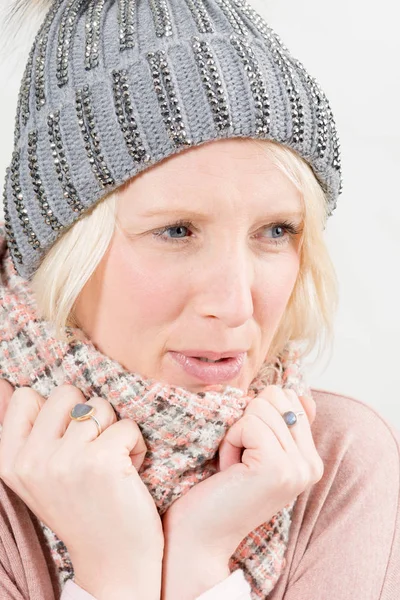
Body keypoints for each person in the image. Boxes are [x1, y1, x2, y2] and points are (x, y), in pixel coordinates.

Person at [0, 0, 399, 599]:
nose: (237, 305)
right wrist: (115, 566)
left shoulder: (336, 462)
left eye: (275, 232)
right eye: (177, 231)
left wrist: (200, 555)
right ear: (60, 250)